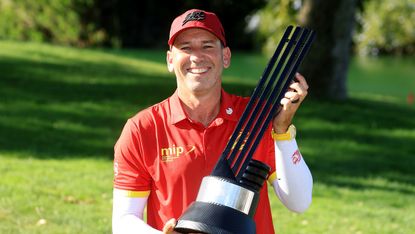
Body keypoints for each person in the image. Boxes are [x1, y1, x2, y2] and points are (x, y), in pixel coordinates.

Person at [112, 9, 313, 234]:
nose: (197, 56)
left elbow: (299, 201)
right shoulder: (142, 129)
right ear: (170, 60)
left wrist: (282, 131)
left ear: (225, 57)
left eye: (207, 46)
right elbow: (124, 219)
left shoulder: (256, 118)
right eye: (186, 48)